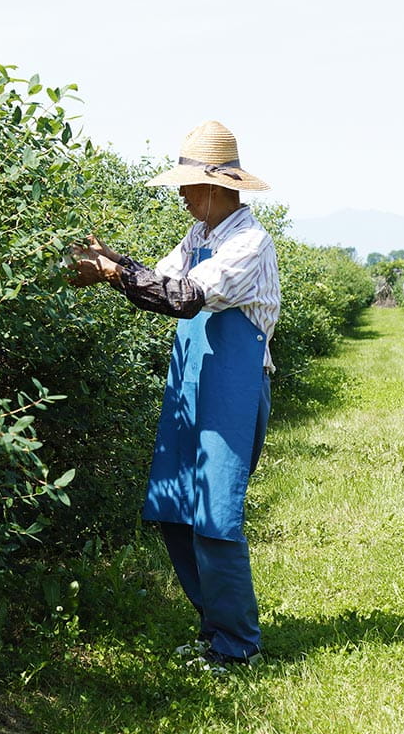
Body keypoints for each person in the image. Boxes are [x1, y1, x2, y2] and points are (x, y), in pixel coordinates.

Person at [68, 120, 280, 673]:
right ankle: (215, 630)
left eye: (187, 183)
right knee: (174, 510)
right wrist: (116, 266)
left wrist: (117, 273)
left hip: (232, 391)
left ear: (216, 185)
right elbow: (159, 278)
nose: (181, 194)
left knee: (215, 515)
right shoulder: (199, 238)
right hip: (191, 385)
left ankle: (237, 646)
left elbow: (185, 298)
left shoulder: (249, 242)